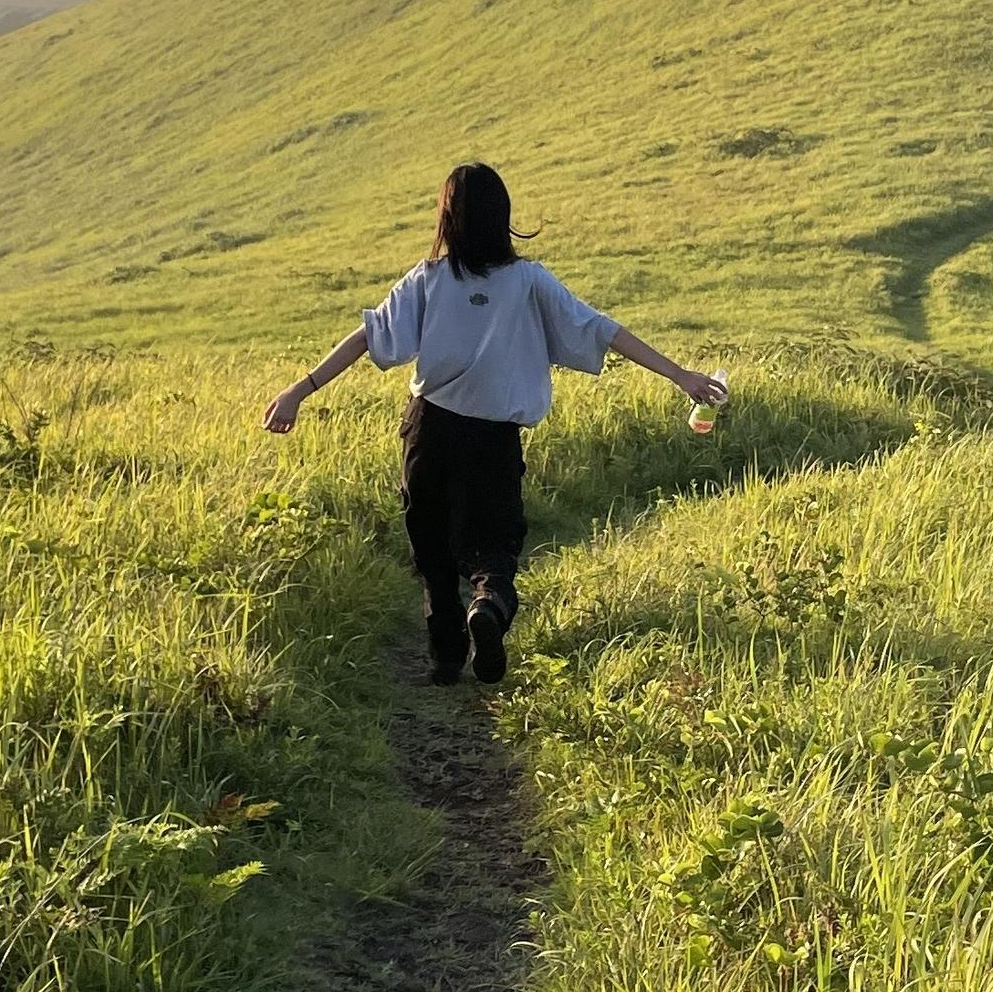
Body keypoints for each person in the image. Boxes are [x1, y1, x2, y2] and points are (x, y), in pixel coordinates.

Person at [262, 162, 724, 688]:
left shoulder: (428, 278)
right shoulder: (530, 282)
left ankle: (444, 656)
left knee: (431, 544)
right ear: (503, 217)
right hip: (493, 439)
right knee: (496, 542)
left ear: (448, 220)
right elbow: (602, 330)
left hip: (428, 432)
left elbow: (368, 335)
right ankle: (489, 603)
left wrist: (299, 390)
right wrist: (681, 375)